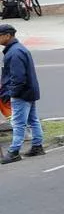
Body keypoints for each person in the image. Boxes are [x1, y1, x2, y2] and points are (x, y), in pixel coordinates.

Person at [0, 23, 43, 163]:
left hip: (21, 94)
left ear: (7, 35)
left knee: (18, 123)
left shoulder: (14, 53)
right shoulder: (18, 49)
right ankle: (37, 146)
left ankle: (14, 152)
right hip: (29, 92)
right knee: (33, 120)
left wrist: (12, 93)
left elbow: (18, 78)